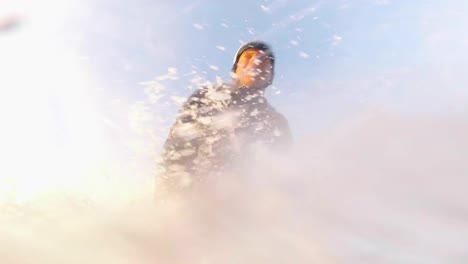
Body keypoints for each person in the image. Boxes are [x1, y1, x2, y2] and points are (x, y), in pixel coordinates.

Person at [156, 41, 292, 202]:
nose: (256, 62)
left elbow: (284, 170)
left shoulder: (276, 122)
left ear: (270, 77)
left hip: (248, 209)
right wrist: (169, 200)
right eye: (248, 57)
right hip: (197, 202)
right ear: (235, 70)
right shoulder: (209, 97)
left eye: (264, 60)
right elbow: (176, 150)